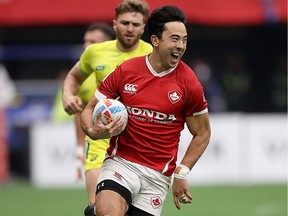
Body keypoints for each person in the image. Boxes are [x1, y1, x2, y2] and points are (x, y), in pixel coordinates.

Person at [80, 5, 211, 216]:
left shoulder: (189, 83)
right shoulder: (127, 70)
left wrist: (181, 172)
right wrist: (92, 131)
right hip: (121, 164)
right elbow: (90, 109)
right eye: (175, 39)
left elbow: (203, 132)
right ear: (156, 40)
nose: (181, 46)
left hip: (157, 177)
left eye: (184, 40)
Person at [62, 0, 152, 215]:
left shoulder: (152, 53)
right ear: (114, 24)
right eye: (125, 22)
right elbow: (74, 76)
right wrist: (67, 95)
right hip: (101, 136)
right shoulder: (95, 52)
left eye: (136, 24)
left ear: (143, 27)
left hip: (139, 140)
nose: (130, 28)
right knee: (96, 208)